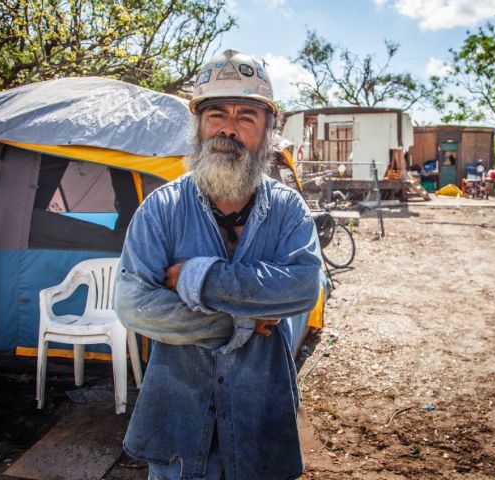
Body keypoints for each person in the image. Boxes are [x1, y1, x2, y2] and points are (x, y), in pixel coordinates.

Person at [113, 49, 322, 480]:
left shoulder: (288, 211)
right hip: (177, 419)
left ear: (268, 129)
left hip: (261, 415)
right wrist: (237, 322)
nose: (229, 128)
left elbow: (303, 287)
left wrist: (198, 277)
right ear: (198, 125)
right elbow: (134, 304)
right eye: (216, 115)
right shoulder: (161, 209)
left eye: (247, 116)